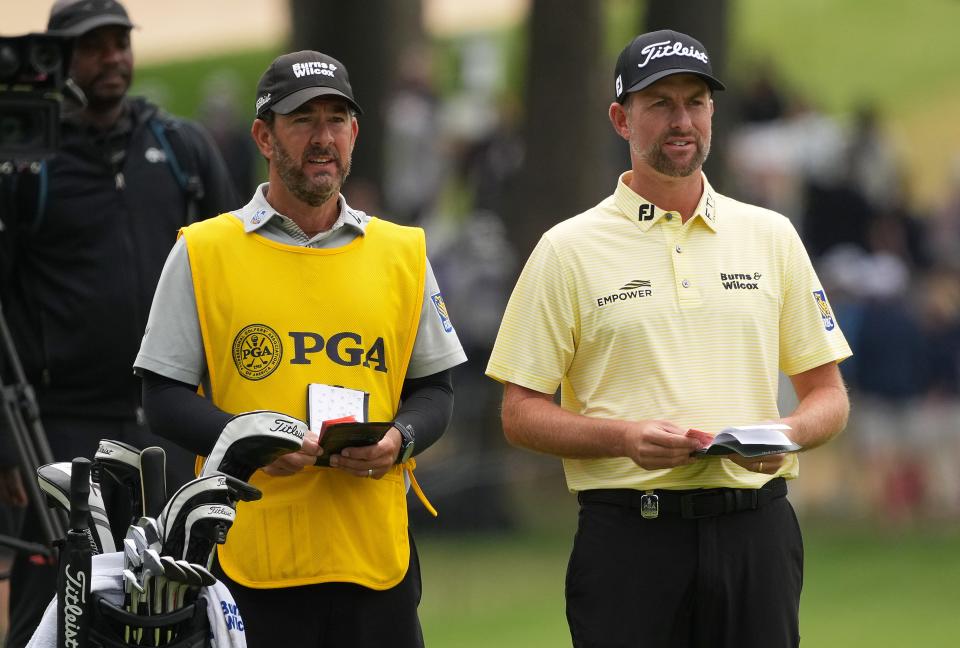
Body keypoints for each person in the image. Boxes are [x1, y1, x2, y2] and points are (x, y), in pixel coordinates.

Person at [486, 29, 852, 648]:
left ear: (713, 113)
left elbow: (829, 396)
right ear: (620, 119)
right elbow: (520, 414)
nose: (681, 120)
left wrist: (785, 436)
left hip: (755, 534)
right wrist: (624, 438)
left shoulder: (771, 235)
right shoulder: (567, 249)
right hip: (630, 538)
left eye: (696, 102)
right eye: (660, 104)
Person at [133, 50, 467, 647]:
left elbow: (435, 391)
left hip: (373, 558)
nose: (322, 138)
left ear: (355, 134)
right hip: (247, 558)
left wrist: (400, 440)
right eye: (302, 119)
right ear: (264, 135)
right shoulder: (205, 251)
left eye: (336, 119)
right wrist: (244, 442)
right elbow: (161, 395)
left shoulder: (402, 252)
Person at [0, 1, 238, 645]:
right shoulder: (26, 166)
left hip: (169, 414)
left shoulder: (179, 147)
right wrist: (6, 446)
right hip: (59, 422)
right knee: (55, 605)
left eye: (119, 42)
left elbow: (233, 267)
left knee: (175, 599)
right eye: (92, 46)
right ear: (57, 60)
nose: (111, 58)